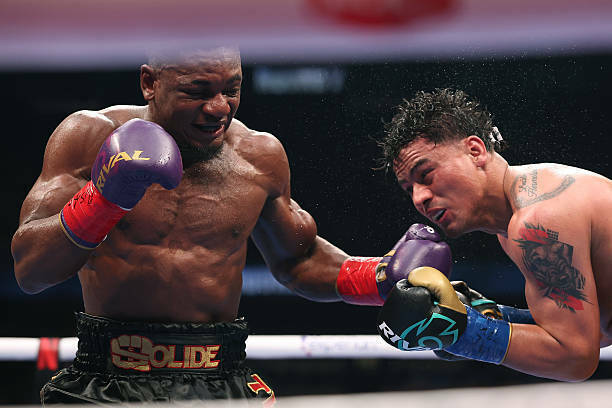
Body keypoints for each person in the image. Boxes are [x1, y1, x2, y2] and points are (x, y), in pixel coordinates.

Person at [10, 46, 453, 403]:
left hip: (220, 376)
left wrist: (378, 278)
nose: (219, 107)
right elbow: (30, 270)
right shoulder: (89, 137)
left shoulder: (260, 157)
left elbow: (298, 260)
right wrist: (104, 199)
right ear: (150, 83)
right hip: (110, 376)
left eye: (232, 89)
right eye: (198, 91)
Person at [375, 88, 612, 382]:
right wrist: (485, 316)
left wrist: (466, 331)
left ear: (475, 151)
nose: (419, 198)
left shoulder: (537, 221)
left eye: (426, 175)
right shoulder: (518, 220)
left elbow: (576, 358)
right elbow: (593, 330)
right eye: (409, 189)